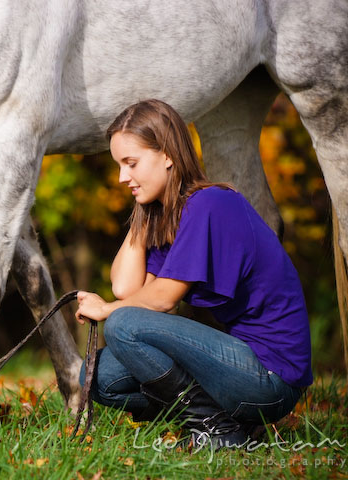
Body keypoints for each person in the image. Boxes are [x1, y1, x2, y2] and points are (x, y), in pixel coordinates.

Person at [75, 99, 312, 449]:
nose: (123, 177)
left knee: (122, 325)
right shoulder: (172, 216)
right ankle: (229, 420)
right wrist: (142, 213)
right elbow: (126, 287)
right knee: (98, 377)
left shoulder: (211, 204)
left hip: (270, 377)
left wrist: (106, 310)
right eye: (119, 166)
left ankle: (216, 427)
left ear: (167, 154)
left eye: (131, 163)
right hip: (236, 371)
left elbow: (162, 299)